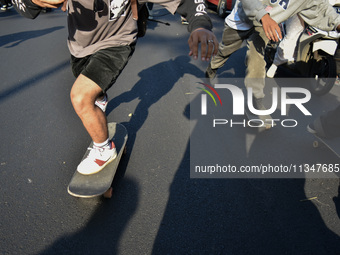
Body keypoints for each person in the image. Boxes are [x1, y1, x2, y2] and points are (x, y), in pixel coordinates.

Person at [13, 0, 218, 175]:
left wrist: (200, 25)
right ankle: (100, 96)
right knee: (87, 84)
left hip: (117, 43)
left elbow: (188, 2)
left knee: (80, 96)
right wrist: (34, 2)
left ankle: (103, 149)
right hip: (79, 46)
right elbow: (23, 7)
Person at [207, 0, 340, 123]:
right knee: (225, 51)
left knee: (256, 59)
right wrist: (263, 16)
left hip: (264, 27)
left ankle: (255, 101)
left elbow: (321, 9)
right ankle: (213, 67)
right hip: (241, 20)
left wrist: (338, 23)